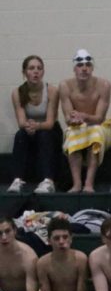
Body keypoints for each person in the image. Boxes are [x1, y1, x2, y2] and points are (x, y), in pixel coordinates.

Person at [59, 49, 111, 193]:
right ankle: (77, 184)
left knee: (95, 133)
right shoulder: (65, 86)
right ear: (74, 69)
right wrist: (73, 121)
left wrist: (83, 116)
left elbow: (99, 118)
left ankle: (89, 183)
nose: (84, 68)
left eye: (88, 65)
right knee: (71, 133)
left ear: (92, 68)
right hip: (80, 126)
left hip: (101, 126)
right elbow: (67, 117)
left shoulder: (104, 85)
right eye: (80, 65)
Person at [8, 55, 60, 194]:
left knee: (44, 134)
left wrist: (35, 126)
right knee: (20, 135)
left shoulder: (51, 91)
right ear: (25, 72)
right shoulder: (17, 92)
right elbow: (21, 122)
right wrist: (29, 126)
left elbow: (49, 123)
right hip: (29, 130)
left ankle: (48, 181)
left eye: (39, 68)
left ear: (43, 72)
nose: (36, 71)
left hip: (50, 131)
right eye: (31, 68)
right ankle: (17, 180)